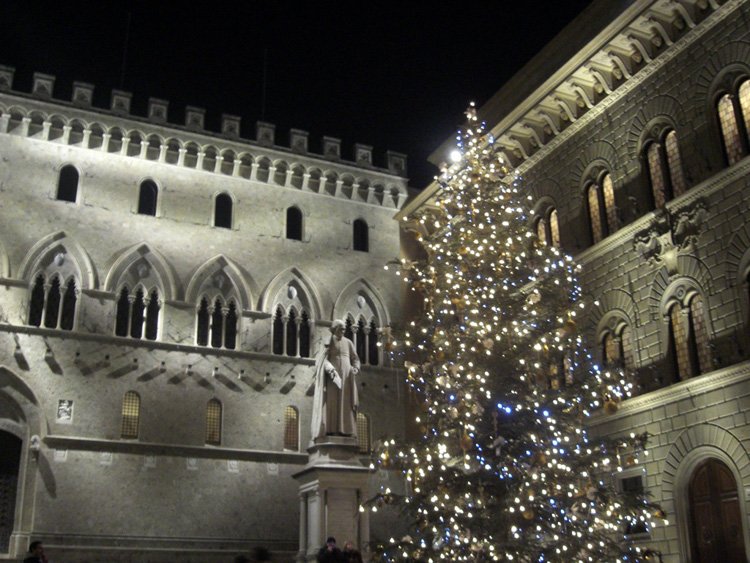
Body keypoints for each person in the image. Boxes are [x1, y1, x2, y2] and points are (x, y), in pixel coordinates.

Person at [311, 320, 361, 440]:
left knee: (346, 404)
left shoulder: (348, 342)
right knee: (332, 402)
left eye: (344, 329)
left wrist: (356, 368)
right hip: (333, 378)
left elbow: (355, 358)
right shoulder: (328, 341)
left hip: (347, 377)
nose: (343, 331)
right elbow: (322, 359)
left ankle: (346, 430)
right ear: (334, 329)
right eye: (341, 329)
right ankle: (331, 429)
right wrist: (330, 369)